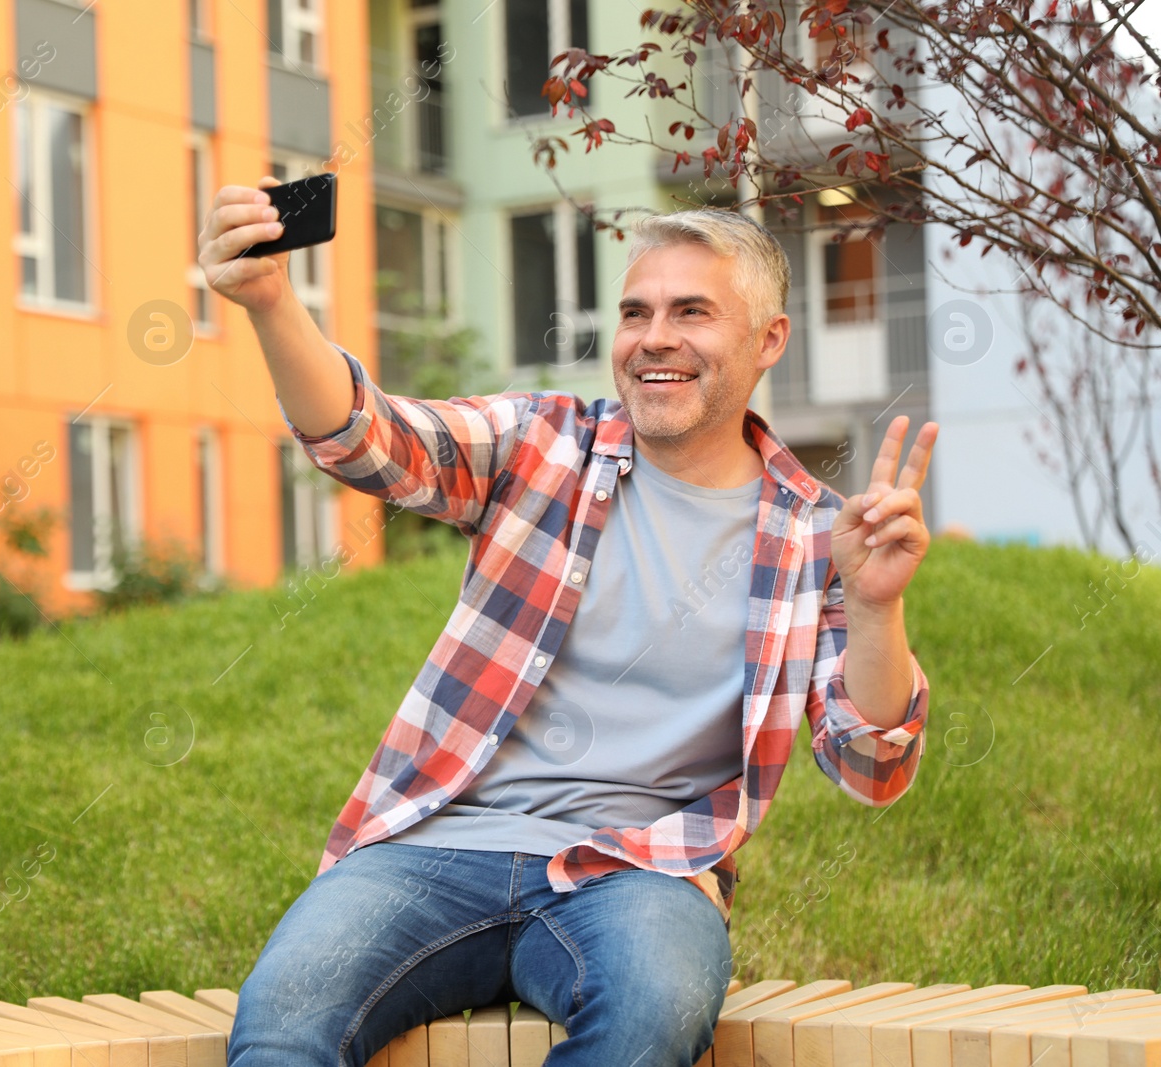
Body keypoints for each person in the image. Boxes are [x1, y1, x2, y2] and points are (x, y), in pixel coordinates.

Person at [198, 177, 939, 1066]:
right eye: (636, 312)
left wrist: (873, 604)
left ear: (768, 338)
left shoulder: (817, 534)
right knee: (281, 1021)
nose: (655, 338)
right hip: (438, 845)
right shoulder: (542, 445)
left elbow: (870, 767)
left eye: (692, 311)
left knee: (645, 1020)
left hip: (641, 871)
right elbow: (370, 438)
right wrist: (273, 303)